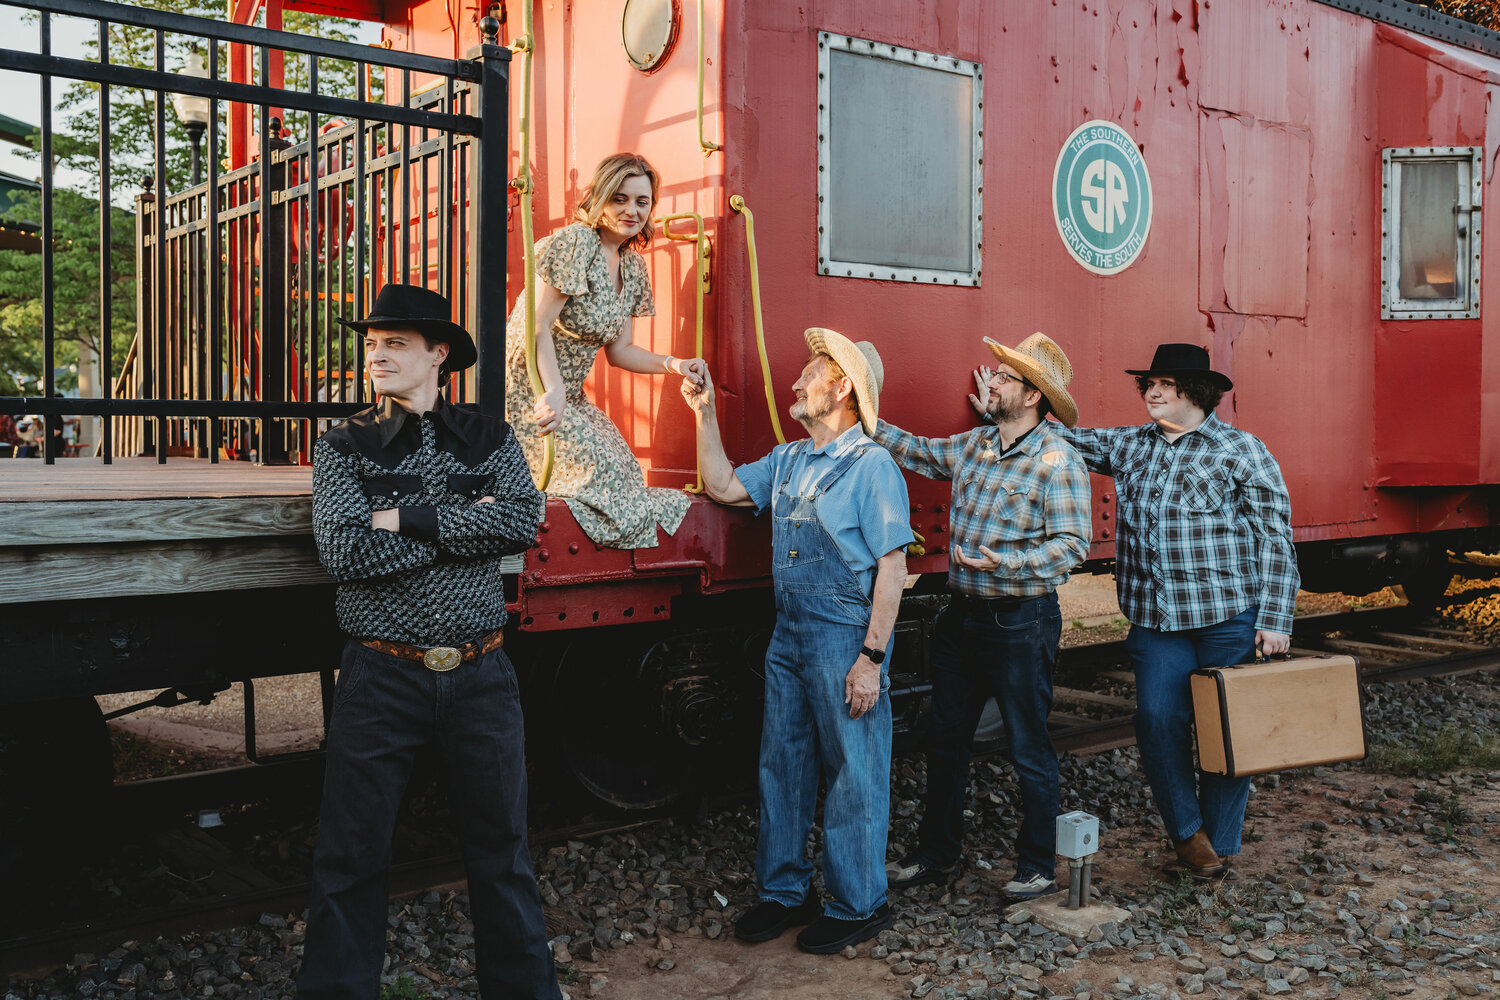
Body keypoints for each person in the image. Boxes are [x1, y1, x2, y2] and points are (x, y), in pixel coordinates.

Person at [299, 283, 561, 1000]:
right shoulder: (343, 446)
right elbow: (345, 554)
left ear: (438, 354)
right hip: (382, 676)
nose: (377, 355)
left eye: (396, 344)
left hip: (482, 675)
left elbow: (519, 525)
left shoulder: (493, 437)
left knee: (502, 853)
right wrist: (455, 522)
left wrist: (400, 520)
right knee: (351, 856)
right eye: (372, 344)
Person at [682, 328, 913, 954]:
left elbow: (893, 567)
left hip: (845, 637)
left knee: (852, 771)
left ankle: (860, 902)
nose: (795, 383)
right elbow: (723, 486)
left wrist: (871, 660)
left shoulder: (873, 466)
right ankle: (785, 893)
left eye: (809, 373)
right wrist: (704, 415)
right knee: (781, 764)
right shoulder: (788, 459)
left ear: (841, 386)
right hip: (787, 634)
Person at [1042, 342, 1298, 881]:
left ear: (1197, 393)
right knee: (1157, 721)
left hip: (1229, 617)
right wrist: (1015, 402)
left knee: (1225, 733)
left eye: (1167, 384)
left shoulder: (1242, 451)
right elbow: (1059, 438)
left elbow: (1276, 538)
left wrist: (1275, 620)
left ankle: (1219, 845)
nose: (1153, 392)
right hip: (1157, 622)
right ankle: (1187, 835)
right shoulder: (1130, 445)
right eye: (1149, 383)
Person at [874, 333, 1092, 902]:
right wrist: (863, 417)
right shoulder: (976, 445)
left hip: (1022, 622)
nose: (989, 382)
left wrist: (1008, 562)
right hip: (961, 618)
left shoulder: (1057, 460)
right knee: (944, 742)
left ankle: (1038, 865)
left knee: (1028, 745)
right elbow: (917, 451)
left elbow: (1072, 545)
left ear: (1032, 396)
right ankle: (937, 855)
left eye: (1002, 377)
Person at [505, 152, 707, 548]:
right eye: (620, 198)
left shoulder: (631, 265)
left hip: (568, 394)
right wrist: (554, 390)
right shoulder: (576, 243)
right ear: (599, 198)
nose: (631, 210)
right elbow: (537, 325)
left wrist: (676, 365)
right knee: (599, 475)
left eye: (642, 202)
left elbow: (621, 351)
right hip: (529, 388)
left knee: (628, 472)